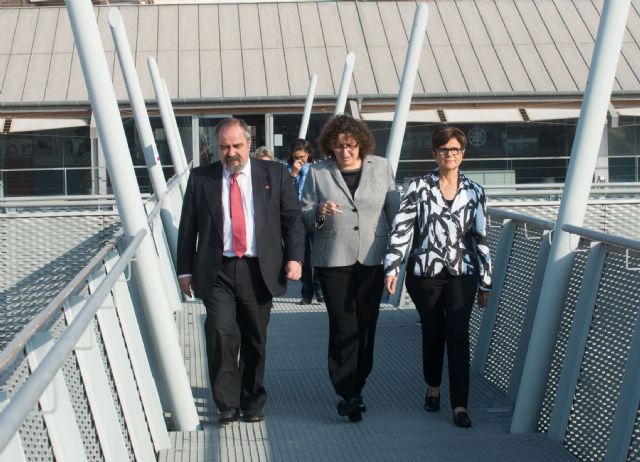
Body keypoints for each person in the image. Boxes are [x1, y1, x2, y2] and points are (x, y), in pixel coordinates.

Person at [177, 118, 305, 425]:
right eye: (223, 147)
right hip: (216, 270)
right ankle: (226, 404)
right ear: (215, 148)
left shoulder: (274, 174)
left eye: (236, 146)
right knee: (221, 333)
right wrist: (184, 271)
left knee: (255, 338)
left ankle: (252, 401)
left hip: (259, 270)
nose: (230, 153)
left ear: (248, 144)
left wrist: (295, 258)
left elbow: (293, 220)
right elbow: (187, 229)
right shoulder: (201, 178)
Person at [384, 126, 492, 428]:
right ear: (435, 153)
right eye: (444, 149)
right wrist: (392, 266)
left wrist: (486, 282)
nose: (450, 154)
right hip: (425, 273)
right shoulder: (418, 186)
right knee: (433, 331)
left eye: (456, 149)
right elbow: (402, 228)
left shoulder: (475, 191)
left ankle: (460, 404)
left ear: (463, 154)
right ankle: (433, 387)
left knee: (457, 334)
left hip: (463, 272)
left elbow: (481, 236)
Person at [300, 115, 400, 423]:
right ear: (330, 146)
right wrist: (318, 211)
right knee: (343, 324)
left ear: (362, 144)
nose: (345, 151)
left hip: (372, 256)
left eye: (351, 145)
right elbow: (301, 213)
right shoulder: (317, 172)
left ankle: (358, 382)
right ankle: (347, 391)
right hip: (333, 258)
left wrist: (396, 261)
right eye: (339, 146)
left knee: (367, 323)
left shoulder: (381, 167)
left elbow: (394, 213)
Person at [287, 138, 323, 305]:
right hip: (297, 218)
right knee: (303, 257)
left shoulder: (316, 169)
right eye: (296, 157)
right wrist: (293, 173)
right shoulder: (287, 169)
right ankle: (306, 293)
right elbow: (285, 193)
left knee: (318, 254)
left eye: (302, 157)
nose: (299, 160)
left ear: (308, 154)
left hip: (313, 214)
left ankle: (319, 289)